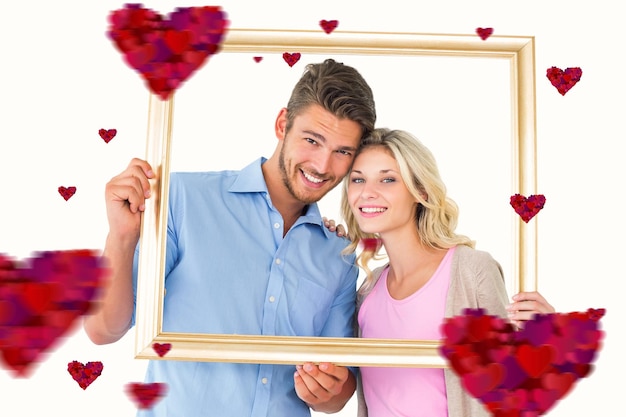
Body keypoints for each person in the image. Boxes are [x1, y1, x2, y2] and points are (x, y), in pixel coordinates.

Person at [83, 58, 377, 417]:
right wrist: (121, 236)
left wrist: (326, 390)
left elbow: (337, 397)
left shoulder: (340, 255)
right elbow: (102, 330)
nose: (322, 165)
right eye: (312, 140)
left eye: (342, 152)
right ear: (282, 124)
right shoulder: (184, 200)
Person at [336, 128, 555, 417]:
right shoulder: (368, 290)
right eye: (358, 179)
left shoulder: (470, 271)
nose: (367, 192)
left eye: (388, 179)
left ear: (421, 191)